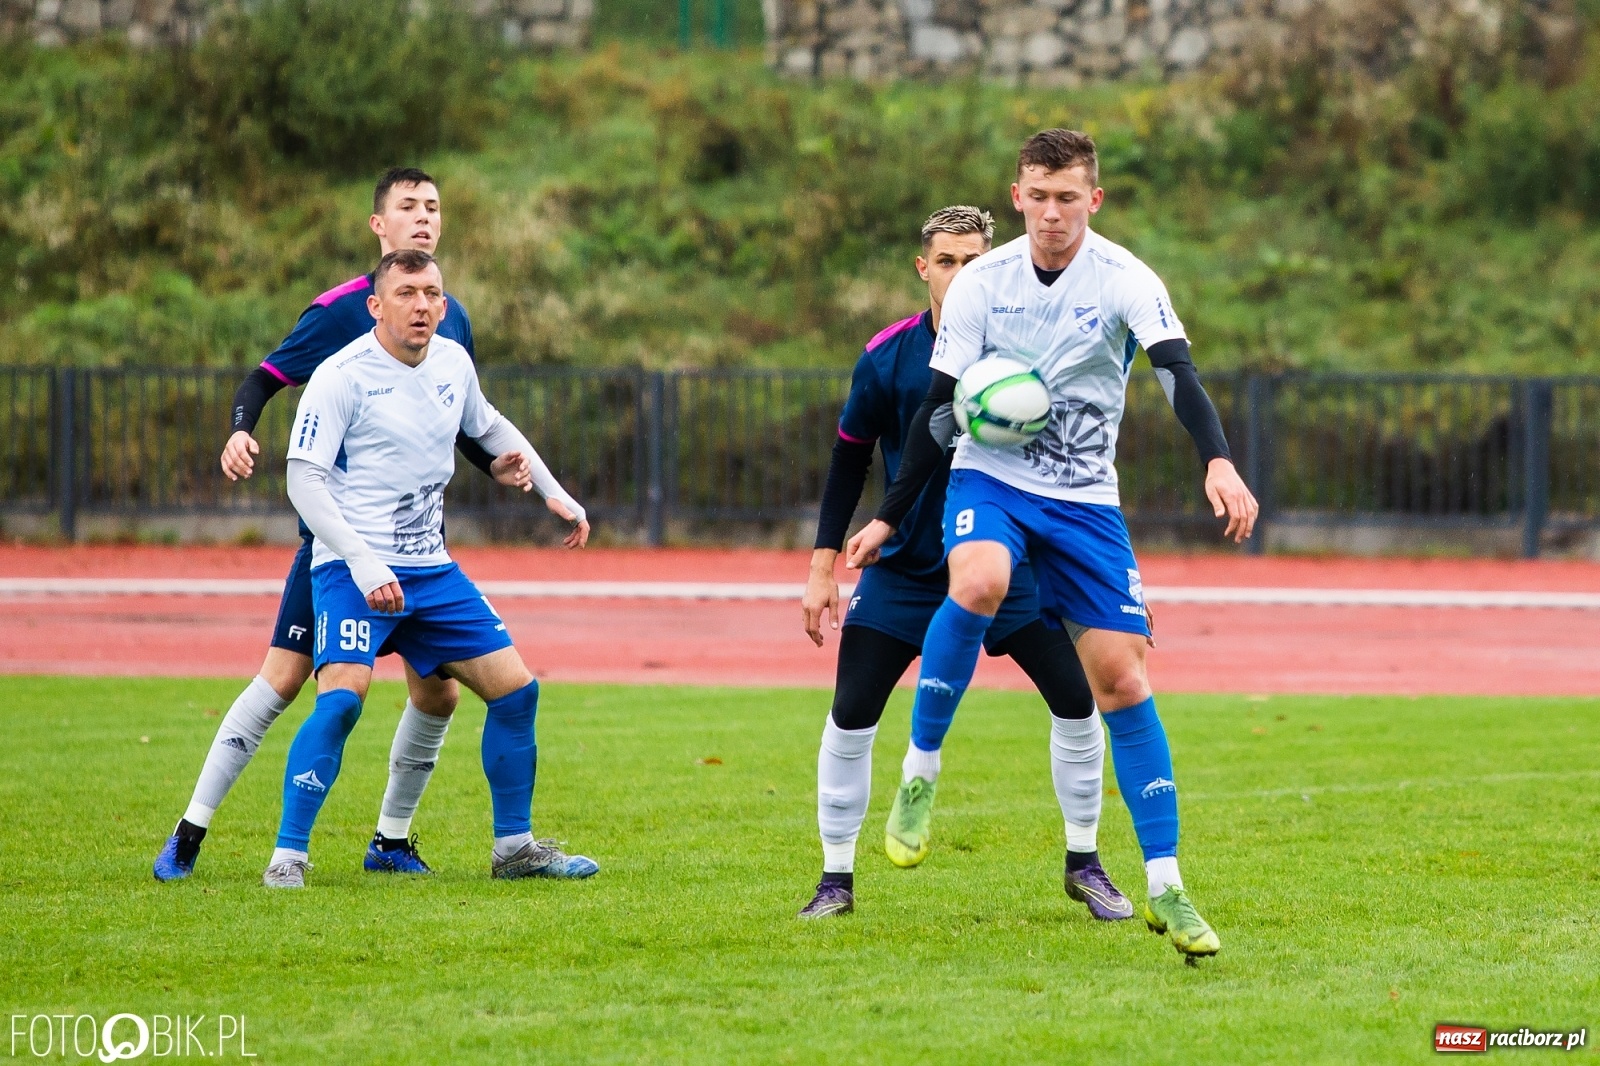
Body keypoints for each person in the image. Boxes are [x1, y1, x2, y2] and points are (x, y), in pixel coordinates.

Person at [845, 130, 1259, 961]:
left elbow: (1178, 373)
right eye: (1038, 195)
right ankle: (921, 769)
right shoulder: (981, 288)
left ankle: (1169, 883)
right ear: (1017, 196)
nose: (1053, 212)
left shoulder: (1126, 279)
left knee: (1124, 679)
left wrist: (1216, 456)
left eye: (1069, 197)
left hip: (1084, 503)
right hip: (990, 481)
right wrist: (891, 512)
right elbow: (935, 413)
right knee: (982, 580)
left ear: (1093, 200)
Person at [153, 168, 524, 882]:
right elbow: (263, 379)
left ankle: (390, 842)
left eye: (433, 208)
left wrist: (505, 468)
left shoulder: (451, 312)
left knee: (439, 690)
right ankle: (192, 832)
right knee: (283, 683)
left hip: (417, 552)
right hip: (339, 544)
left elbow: (458, 419)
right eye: (408, 207)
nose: (423, 217)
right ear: (377, 226)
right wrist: (239, 430)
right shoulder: (335, 313)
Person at [797, 206, 1131, 924]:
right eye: (946, 261)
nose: (959, 274)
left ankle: (1086, 864)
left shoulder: (1030, 350)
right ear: (924, 268)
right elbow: (849, 458)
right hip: (907, 571)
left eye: (973, 260)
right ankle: (835, 880)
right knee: (852, 713)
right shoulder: (888, 356)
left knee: (1078, 703)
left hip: (1012, 571)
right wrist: (823, 566)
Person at [263, 249, 595, 889]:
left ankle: (515, 850)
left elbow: (490, 427)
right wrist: (362, 565)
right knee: (340, 704)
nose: (422, 306)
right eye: (408, 293)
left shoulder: (451, 360)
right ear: (376, 305)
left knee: (517, 691)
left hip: (429, 568)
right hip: (352, 566)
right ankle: (288, 856)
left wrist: (551, 491)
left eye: (433, 294)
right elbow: (302, 481)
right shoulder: (341, 375)